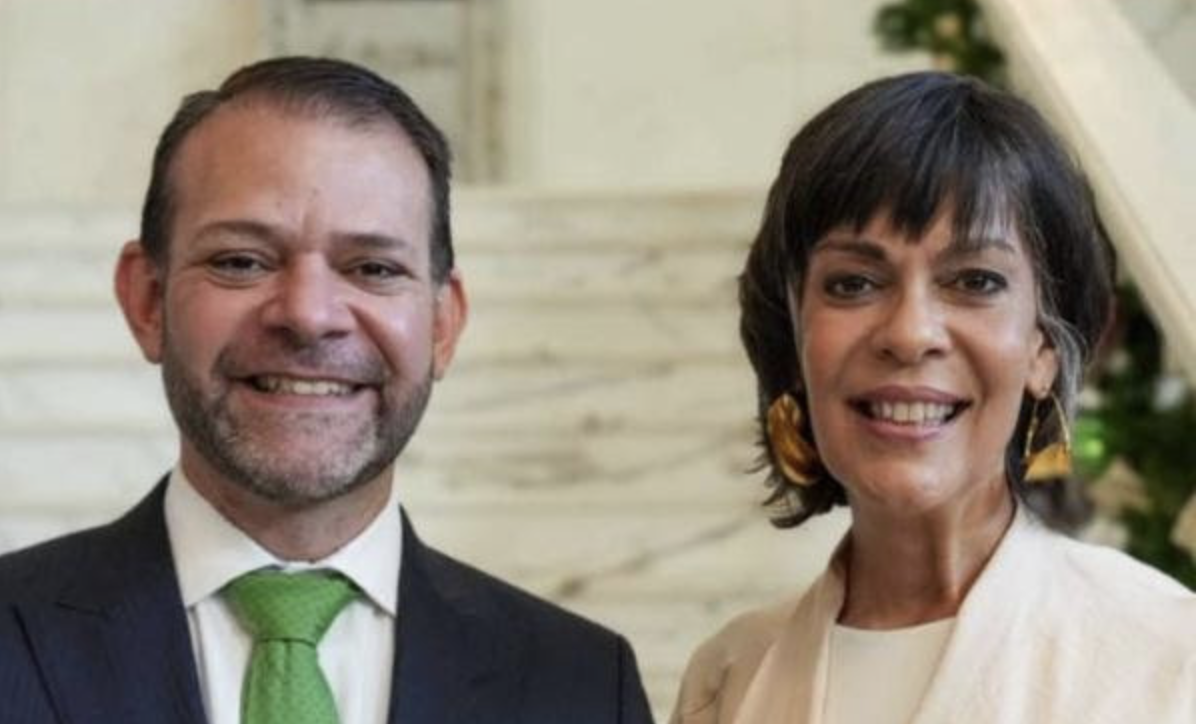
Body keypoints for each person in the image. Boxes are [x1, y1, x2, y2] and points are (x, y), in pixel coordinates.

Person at [0, 56, 653, 724]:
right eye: (241, 261)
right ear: (146, 299)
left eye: (373, 268)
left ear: (443, 324)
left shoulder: (584, 686)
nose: (309, 315)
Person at [671, 72, 1196, 724]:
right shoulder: (728, 679)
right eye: (853, 284)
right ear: (795, 337)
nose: (910, 333)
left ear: (1044, 348)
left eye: (974, 281)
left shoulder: (1169, 660)